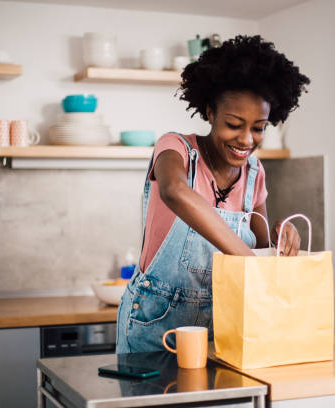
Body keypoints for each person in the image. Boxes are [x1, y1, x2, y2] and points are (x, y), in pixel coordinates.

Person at [116, 35, 310, 353]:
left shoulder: (255, 173)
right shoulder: (176, 148)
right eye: (234, 124)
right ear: (210, 113)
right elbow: (175, 191)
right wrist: (247, 258)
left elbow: (261, 251)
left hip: (223, 329)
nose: (247, 139)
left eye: (259, 127)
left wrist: (282, 240)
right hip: (154, 327)